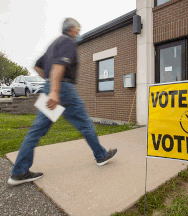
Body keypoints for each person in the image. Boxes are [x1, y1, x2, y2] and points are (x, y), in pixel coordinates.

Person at [8, 18, 117, 186]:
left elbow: (37, 66)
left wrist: (49, 82)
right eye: (78, 29)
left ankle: (19, 172)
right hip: (63, 90)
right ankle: (101, 155)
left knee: (36, 131)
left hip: (51, 87)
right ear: (72, 29)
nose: (79, 33)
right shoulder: (68, 41)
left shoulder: (53, 45)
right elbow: (60, 66)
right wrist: (54, 90)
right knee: (85, 123)